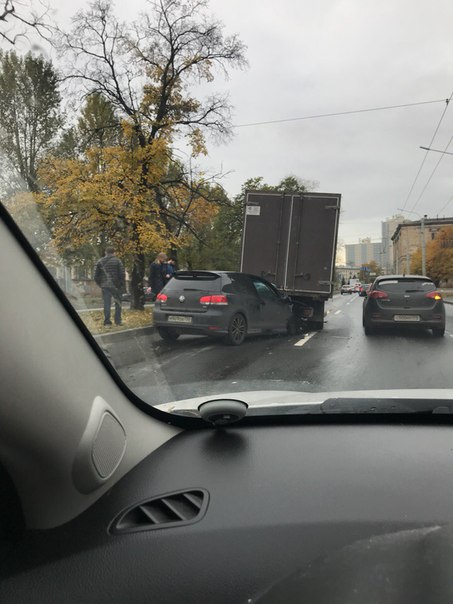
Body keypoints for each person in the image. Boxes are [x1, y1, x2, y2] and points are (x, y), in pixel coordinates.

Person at [94, 246, 126, 326]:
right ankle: (118, 321)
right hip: (116, 286)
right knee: (118, 303)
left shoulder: (100, 261)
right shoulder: (118, 261)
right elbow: (122, 274)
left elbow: (95, 276)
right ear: (114, 252)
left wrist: (101, 284)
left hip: (105, 286)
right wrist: (121, 284)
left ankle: (107, 321)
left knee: (107, 304)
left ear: (106, 252)